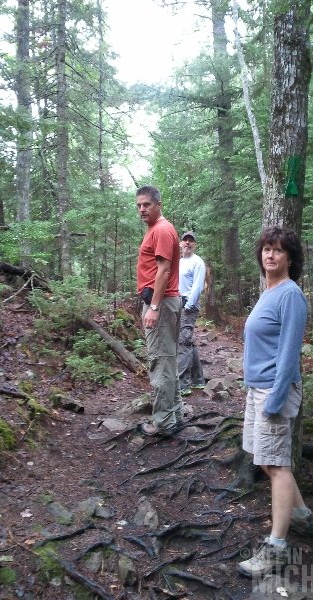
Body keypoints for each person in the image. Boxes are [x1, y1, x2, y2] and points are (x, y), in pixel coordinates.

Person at [238, 225, 313, 579]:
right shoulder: (268, 291)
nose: (270, 255)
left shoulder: (290, 295)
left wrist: (275, 398)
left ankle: (276, 548)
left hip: (274, 390)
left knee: (278, 466)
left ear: (290, 258)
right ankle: (302, 518)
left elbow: (288, 355)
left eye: (278, 250)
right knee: (269, 463)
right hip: (258, 389)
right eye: (266, 249)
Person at [135, 185, 183, 437]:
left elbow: (164, 271)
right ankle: (174, 415)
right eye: (139, 205)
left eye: (147, 204)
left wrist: (153, 306)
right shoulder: (156, 230)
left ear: (158, 204)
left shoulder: (162, 230)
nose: (142, 209)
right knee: (167, 360)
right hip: (163, 302)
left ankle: (164, 423)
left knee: (160, 361)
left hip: (161, 304)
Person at [178, 231, 206, 396]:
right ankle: (198, 380)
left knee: (183, 342)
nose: (187, 243)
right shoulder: (180, 261)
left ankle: (183, 385)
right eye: (185, 240)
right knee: (187, 341)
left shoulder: (198, 262)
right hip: (178, 303)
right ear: (181, 243)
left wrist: (189, 305)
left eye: (191, 241)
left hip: (189, 305)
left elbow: (198, 286)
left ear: (194, 244)